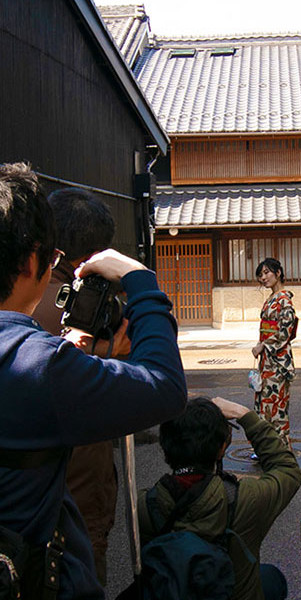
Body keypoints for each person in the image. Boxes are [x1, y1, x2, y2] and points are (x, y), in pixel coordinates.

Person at [0, 162, 187, 598]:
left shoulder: (45, 357)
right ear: (34, 260)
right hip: (41, 564)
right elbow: (164, 386)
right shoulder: (39, 364)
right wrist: (141, 280)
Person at [31, 187, 122, 585]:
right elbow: (159, 388)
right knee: (82, 575)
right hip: (80, 482)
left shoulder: (20, 294)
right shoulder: (90, 309)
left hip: (20, 492)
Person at [139, 396, 301, 600]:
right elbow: (287, 469)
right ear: (222, 448)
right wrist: (245, 415)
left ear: (165, 446)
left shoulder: (145, 505)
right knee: (272, 578)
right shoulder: (244, 498)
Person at [251, 258, 297, 451]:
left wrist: (264, 345)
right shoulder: (272, 299)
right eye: (261, 275)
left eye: (267, 273)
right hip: (267, 361)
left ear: (278, 273)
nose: (263, 278)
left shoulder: (284, 300)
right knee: (264, 404)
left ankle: (280, 449)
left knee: (275, 405)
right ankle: (267, 448)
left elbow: (285, 330)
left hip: (277, 361)